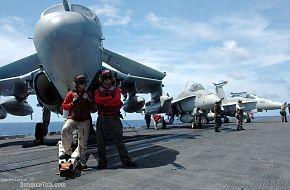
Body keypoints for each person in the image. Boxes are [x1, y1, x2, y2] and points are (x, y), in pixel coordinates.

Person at [95, 70, 137, 169]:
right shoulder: (98, 90)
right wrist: (110, 98)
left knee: (119, 141)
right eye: (105, 78)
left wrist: (104, 102)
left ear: (112, 79)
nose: (107, 80)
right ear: (102, 79)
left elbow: (116, 102)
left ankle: (126, 161)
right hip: (102, 118)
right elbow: (97, 100)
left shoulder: (117, 90)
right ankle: (102, 163)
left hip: (113, 117)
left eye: (109, 78)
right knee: (100, 142)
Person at [60, 74, 93, 169]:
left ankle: (82, 161)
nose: (84, 85)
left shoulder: (88, 94)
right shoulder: (71, 94)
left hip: (85, 120)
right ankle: (67, 152)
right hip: (73, 118)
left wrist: (89, 101)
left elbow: (93, 107)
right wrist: (72, 103)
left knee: (83, 142)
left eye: (84, 83)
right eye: (81, 83)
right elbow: (64, 106)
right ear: (77, 84)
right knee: (65, 130)